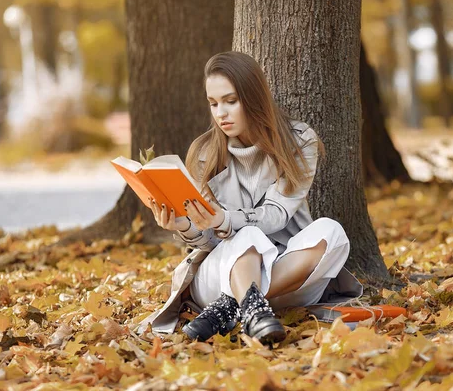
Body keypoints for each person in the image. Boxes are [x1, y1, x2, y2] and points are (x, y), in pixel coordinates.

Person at [137, 51, 363, 345]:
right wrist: (182, 225)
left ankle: (236, 305)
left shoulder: (298, 139)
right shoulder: (205, 153)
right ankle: (249, 305)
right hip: (219, 276)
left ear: (254, 97)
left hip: (290, 277)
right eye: (214, 103)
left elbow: (277, 213)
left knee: (331, 231)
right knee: (247, 237)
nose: (221, 113)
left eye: (231, 101)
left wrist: (225, 218)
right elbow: (208, 241)